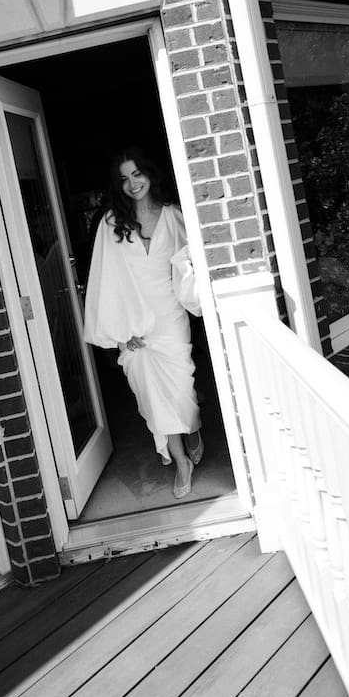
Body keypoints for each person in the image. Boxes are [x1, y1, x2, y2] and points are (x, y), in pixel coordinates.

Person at [83, 146, 203, 499]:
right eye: (124, 178)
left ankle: (193, 427)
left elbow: (192, 267)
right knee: (153, 396)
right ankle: (181, 461)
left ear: (150, 174)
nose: (132, 183)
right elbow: (106, 281)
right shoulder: (110, 224)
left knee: (183, 389)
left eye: (137, 174)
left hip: (170, 316)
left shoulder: (174, 216)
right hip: (136, 326)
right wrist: (121, 332)